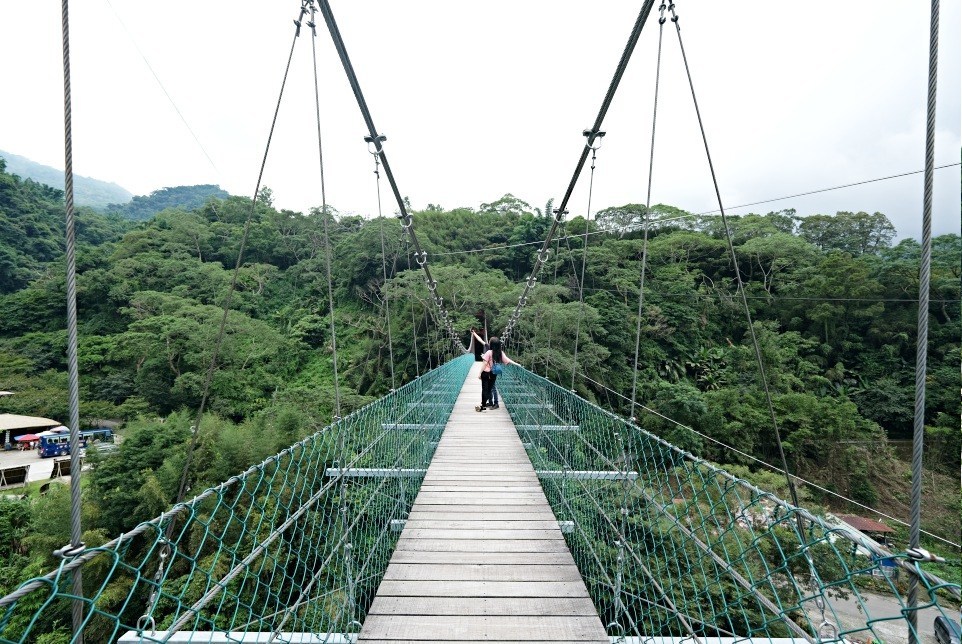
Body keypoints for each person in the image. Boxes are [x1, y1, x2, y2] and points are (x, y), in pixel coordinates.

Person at [476, 336, 515, 411]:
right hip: (494, 373)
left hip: (487, 372)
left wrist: (480, 373)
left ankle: (492, 404)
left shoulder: (489, 351)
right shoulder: (500, 352)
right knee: (491, 388)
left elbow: (484, 363)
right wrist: (516, 363)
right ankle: (490, 403)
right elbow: (507, 360)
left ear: (491, 344)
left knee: (488, 389)